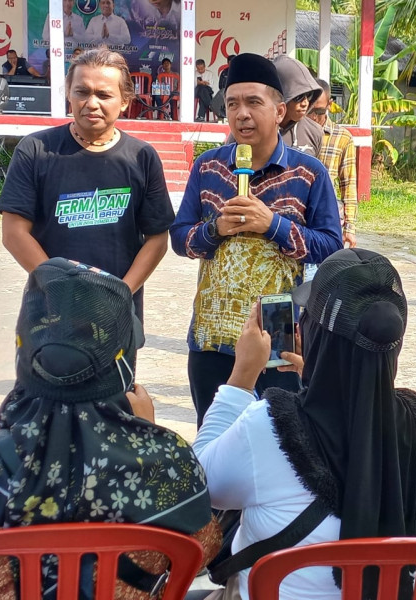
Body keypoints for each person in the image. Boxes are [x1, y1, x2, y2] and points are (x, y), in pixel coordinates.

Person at [0, 257, 221, 599]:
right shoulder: (169, 464)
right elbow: (200, 552)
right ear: (122, 368)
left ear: (24, 356)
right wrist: (147, 435)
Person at [192, 248, 416, 600]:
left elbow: (200, 486)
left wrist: (240, 379)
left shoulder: (268, 426)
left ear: (314, 333)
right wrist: (317, 375)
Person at [169, 53, 343, 427]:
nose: (241, 114)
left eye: (253, 102)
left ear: (279, 111)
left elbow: (332, 248)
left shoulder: (309, 173)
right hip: (211, 338)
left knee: (279, 444)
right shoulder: (208, 166)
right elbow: (179, 239)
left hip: (276, 337)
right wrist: (215, 230)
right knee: (214, 442)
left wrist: (273, 225)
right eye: (232, 104)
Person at [0, 47, 174, 322]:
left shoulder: (142, 157)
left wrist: (121, 293)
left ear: (125, 100)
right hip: (49, 314)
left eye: (104, 94)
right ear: (69, 94)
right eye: (82, 92)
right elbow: (14, 233)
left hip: (116, 317)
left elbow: (157, 239)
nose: (91, 103)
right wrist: (61, 288)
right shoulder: (36, 150)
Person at [308, 78, 358, 248]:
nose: (314, 117)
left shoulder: (342, 138)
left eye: (319, 111)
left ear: (330, 104)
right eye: (309, 110)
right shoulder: (293, 133)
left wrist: (349, 228)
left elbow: (348, 185)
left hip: (328, 217)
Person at [272, 55, 324, 156]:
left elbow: (315, 170)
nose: (305, 103)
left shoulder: (313, 132)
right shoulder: (253, 130)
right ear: (282, 96)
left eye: (309, 95)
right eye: (298, 96)